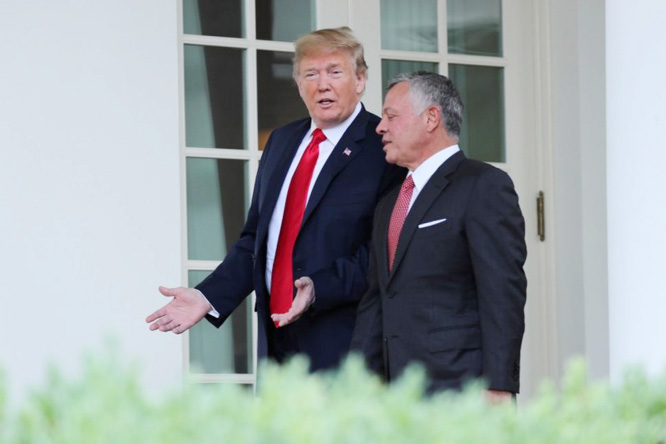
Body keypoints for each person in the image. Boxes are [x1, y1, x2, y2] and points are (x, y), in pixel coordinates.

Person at [146, 27, 404, 371]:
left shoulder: (383, 147)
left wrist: (316, 289)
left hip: (345, 343)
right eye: (311, 74)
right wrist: (208, 296)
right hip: (275, 340)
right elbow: (258, 239)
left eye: (335, 72)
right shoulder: (282, 142)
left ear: (360, 80)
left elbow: (385, 251)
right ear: (299, 84)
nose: (322, 84)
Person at [350, 72, 527, 400]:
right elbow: (377, 300)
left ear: (431, 117)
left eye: (391, 116)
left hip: (461, 392)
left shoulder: (484, 185)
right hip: (396, 398)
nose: (380, 126)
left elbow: (502, 294)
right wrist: (357, 386)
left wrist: (500, 386)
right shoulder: (389, 203)